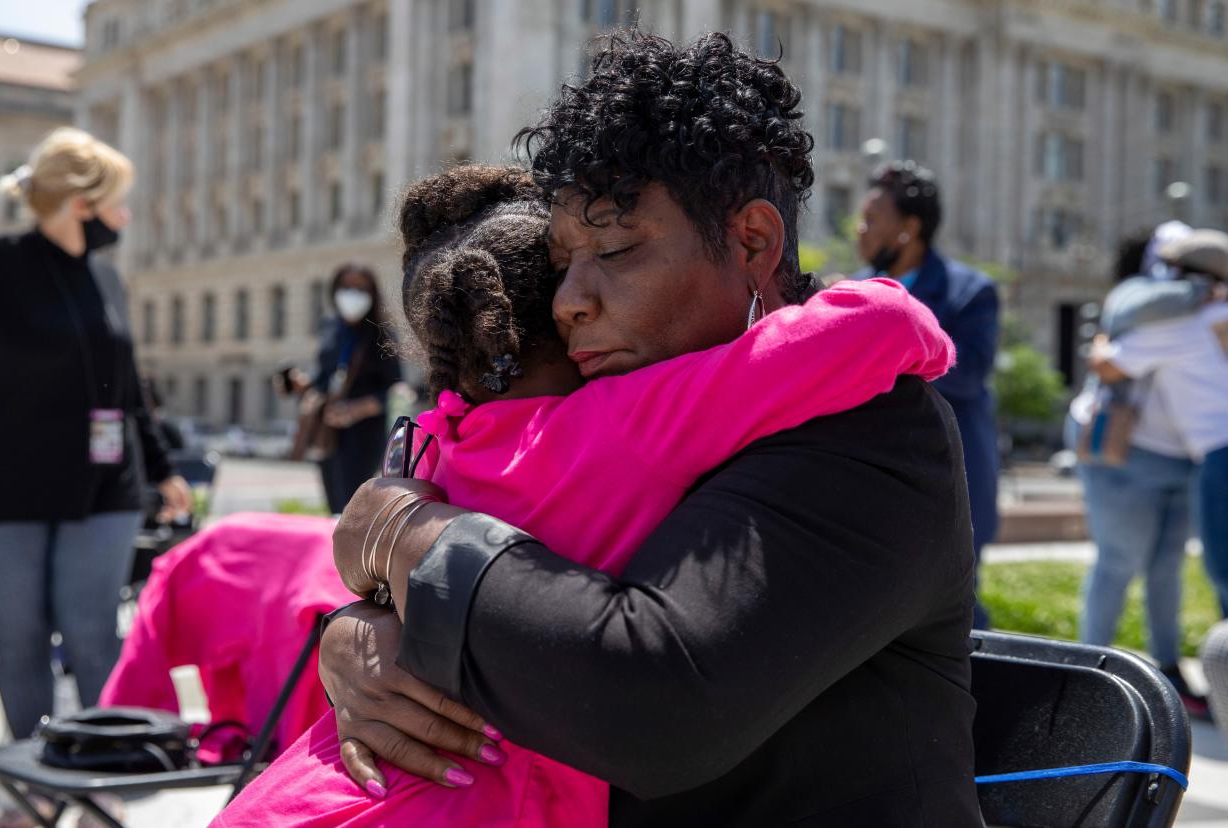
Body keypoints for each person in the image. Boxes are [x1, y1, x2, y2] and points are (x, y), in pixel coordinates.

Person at [314, 33, 983, 826]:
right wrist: (359, 629)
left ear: (752, 243)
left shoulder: (870, 427)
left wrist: (407, 534)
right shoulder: (609, 410)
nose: (570, 300)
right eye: (563, 262)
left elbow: (655, 706)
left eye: (618, 251)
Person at [0, 128, 191, 826]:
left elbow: (127, 388)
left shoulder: (107, 277)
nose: (123, 218)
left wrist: (162, 467)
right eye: (116, 202)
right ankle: (28, 775)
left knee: (92, 632)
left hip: (106, 487)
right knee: (18, 637)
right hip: (9, 486)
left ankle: (99, 770)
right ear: (79, 202)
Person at [1066, 225, 1210, 716]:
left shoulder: (1192, 308)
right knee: (1118, 561)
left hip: (1184, 456)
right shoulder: (1154, 306)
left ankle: (1168, 669)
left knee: (1167, 566)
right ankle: (1089, 670)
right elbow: (1106, 365)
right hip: (1125, 456)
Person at [853, 160, 1000, 629]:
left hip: (949, 473)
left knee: (956, 609)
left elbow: (968, 373)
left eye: (872, 220)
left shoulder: (970, 292)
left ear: (908, 229)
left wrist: (877, 347)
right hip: (874, 472)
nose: (860, 231)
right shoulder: (856, 290)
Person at [1089, 229, 1228, 619]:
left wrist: (1101, 338)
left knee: (1225, 577)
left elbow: (1107, 367)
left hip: (1220, 457)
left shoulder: (1180, 324)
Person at [281, 264, 402, 513]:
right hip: (329, 430)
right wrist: (303, 383)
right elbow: (326, 375)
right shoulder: (330, 326)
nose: (352, 294)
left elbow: (395, 389)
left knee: (355, 507)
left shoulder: (381, 333)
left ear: (371, 293)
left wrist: (359, 408)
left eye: (360, 288)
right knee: (334, 506)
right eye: (346, 287)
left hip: (363, 432)